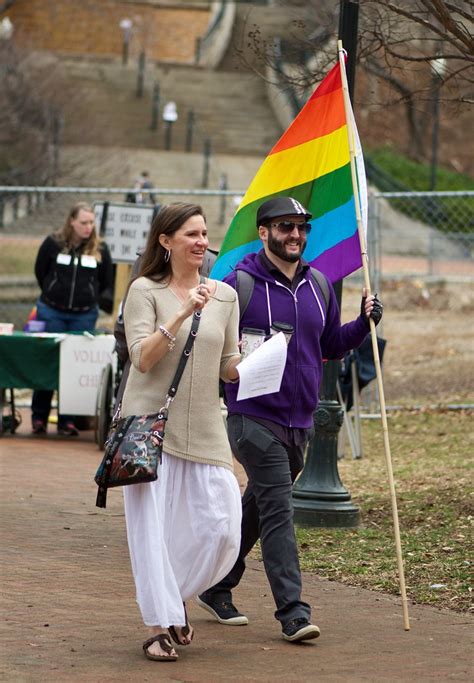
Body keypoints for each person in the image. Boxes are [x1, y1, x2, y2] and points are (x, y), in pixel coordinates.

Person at [197, 196, 383, 643]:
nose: (295, 235)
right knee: (280, 509)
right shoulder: (238, 285)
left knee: (259, 507)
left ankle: (216, 584)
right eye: (285, 227)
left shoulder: (318, 284)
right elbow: (209, 344)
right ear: (264, 233)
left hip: (300, 422)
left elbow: (332, 346)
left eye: (301, 227)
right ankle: (293, 613)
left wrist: (364, 323)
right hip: (251, 416)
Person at [120, 202, 242, 662]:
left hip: (206, 426)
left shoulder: (225, 295)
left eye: (204, 233)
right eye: (190, 234)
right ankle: (158, 623)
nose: (201, 242)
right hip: (149, 428)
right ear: (165, 241)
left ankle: (174, 597)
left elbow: (226, 365)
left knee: (222, 527)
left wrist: (261, 363)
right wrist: (179, 315)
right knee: (152, 531)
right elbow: (142, 359)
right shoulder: (144, 290)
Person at [31, 202, 113, 436]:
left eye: (91, 223)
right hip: (51, 311)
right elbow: (41, 271)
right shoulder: (53, 244)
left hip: (84, 315)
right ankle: (39, 417)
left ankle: (67, 420)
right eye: (84, 222)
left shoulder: (101, 249)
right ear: (71, 222)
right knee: (48, 362)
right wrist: (52, 292)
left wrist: (89, 299)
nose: (89, 227)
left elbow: (106, 280)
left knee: (74, 367)